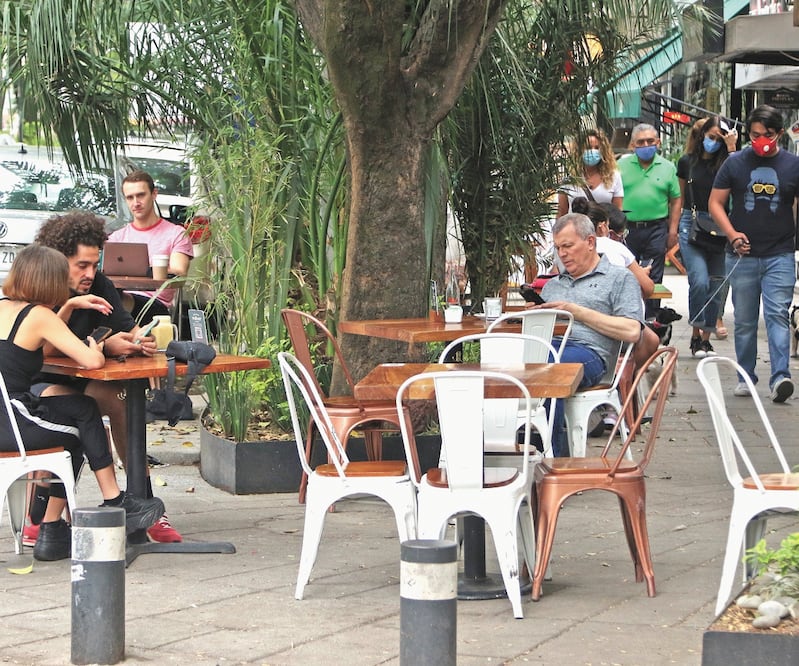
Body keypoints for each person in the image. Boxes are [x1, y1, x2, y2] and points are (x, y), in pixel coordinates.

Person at [0, 245, 165, 561]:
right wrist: (98, 343)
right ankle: (114, 502)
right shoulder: (38, 315)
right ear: (48, 282)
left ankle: (54, 532)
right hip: (16, 423)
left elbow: (43, 347)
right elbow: (90, 360)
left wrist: (69, 308)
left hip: (5, 419)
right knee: (81, 419)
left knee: (78, 412)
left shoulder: (6, 307)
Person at [31, 211, 183, 543]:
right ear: (58, 260)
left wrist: (138, 338)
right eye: (81, 265)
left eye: (94, 264)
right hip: (36, 384)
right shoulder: (41, 285)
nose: (90, 273)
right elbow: (38, 350)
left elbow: (128, 327)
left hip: (84, 375)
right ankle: (42, 510)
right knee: (73, 408)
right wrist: (102, 342)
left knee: (120, 402)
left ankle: (144, 503)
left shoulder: (100, 284)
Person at [529, 213, 645, 456]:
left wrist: (576, 312)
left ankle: (553, 461)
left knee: (550, 367)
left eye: (568, 246)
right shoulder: (552, 285)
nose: (562, 254)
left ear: (590, 242)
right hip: (546, 346)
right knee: (501, 364)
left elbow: (632, 330)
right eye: (558, 248)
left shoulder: (619, 278)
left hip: (590, 354)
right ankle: (505, 453)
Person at [708, 104, 799, 403]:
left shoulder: (792, 165)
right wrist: (732, 234)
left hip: (780, 254)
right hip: (742, 256)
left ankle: (780, 377)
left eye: (768, 135)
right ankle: (745, 376)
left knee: (777, 315)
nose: (761, 140)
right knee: (745, 320)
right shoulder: (735, 164)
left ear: (779, 134)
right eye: (755, 134)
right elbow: (715, 204)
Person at [677, 117, 738, 358]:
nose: (713, 142)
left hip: (721, 224)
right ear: (702, 135)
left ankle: (705, 339)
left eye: (718, 139)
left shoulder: (727, 163)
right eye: (710, 136)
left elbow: (739, 180)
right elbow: (682, 198)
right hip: (691, 222)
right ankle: (695, 333)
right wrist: (673, 230)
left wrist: (731, 149)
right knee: (699, 281)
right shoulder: (686, 162)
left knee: (717, 285)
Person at [109, 170, 193, 319]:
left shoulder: (176, 234)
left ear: (154, 194)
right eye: (130, 197)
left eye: (141, 195)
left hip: (154, 304)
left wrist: (143, 271)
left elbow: (179, 272)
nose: (136, 203)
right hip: (118, 300)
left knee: (114, 302)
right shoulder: (117, 237)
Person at [618, 123, 682, 318]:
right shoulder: (620, 166)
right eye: (641, 142)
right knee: (626, 273)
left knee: (654, 274)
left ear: (658, 142)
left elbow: (676, 200)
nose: (646, 145)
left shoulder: (668, 167)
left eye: (650, 141)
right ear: (632, 145)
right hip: (627, 229)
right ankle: (628, 316)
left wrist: (673, 230)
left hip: (657, 228)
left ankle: (652, 317)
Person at [557, 128, 624, 216]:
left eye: (597, 148)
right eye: (588, 147)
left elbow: (618, 212)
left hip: (602, 229)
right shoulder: (569, 178)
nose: (593, 151)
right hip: (576, 228)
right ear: (579, 150)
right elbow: (562, 212)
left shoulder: (613, 176)